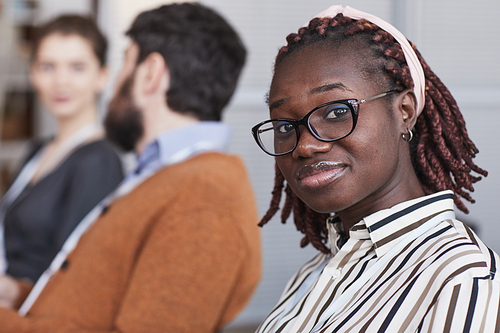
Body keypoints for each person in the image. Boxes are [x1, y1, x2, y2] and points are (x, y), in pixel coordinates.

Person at [0, 3, 261, 332]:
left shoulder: (204, 199)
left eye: (125, 61)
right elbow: (89, 305)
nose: (114, 86)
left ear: (150, 73)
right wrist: (19, 295)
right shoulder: (160, 177)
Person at [251, 5, 499, 333]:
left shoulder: (460, 277)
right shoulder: (316, 273)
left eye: (336, 111)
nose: (304, 146)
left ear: (405, 111)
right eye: (285, 126)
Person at [0, 15, 123, 306]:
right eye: (48, 66)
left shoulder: (99, 161)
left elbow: (77, 276)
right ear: (32, 74)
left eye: (77, 67)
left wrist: (14, 290)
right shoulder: (38, 150)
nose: (61, 81)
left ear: (102, 76)